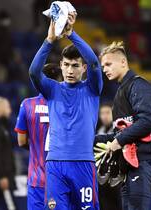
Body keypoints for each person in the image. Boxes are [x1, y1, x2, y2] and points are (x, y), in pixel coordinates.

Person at [29, 13, 103, 210]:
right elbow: (33, 72)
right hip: (55, 164)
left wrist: (71, 34)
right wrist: (49, 41)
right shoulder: (52, 89)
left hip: (83, 163)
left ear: (84, 68)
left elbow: (96, 63)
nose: (70, 70)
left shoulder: (92, 88)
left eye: (75, 66)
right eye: (67, 65)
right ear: (61, 65)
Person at [99, 41, 151, 210]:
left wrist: (118, 142)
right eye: (103, 66)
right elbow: (119, 133)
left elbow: (147, 121)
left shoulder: (138, 85)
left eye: (108, 64)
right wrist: (92, 139)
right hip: (128, 164)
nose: (105, 69)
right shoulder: (121, 91)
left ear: (123, 62)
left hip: (142, 160)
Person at [14, 64, 62, 210]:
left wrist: (36, 146)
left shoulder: (27, 104)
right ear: (59, 81)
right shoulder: (66, 105)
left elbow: (21, 141)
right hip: (61, 178)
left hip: (36, 178)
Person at [96, 102, 122, 210]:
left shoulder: (119, 131)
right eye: (102, 113)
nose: (105, 116)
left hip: (117, 174)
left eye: (108, 112)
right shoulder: (99, 131)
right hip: (102, 175)